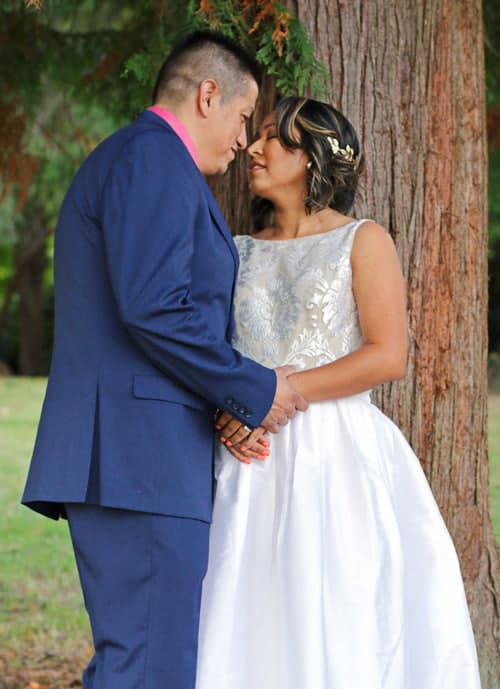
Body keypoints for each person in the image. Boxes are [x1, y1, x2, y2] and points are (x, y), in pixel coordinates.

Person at [21, 33, 307, 689]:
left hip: (138, 453)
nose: (243, 142)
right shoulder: (152, 160)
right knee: (150, 669)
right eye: (242, 119)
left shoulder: (144, 162)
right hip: (138, 456)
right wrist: (253, 388)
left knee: (145, 662)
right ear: (208, 95)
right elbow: (155, 307)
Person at [195, 96, 482, 689]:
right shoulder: (238, 250)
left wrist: (273, 391)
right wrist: (231, 405)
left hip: (336, 458)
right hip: (251, 459)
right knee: (245, 603)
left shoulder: (363, 240)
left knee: (338, 606)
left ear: (314, 156)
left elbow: (387, 355)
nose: (255, 147)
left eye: (273, 138)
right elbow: (217, 349)